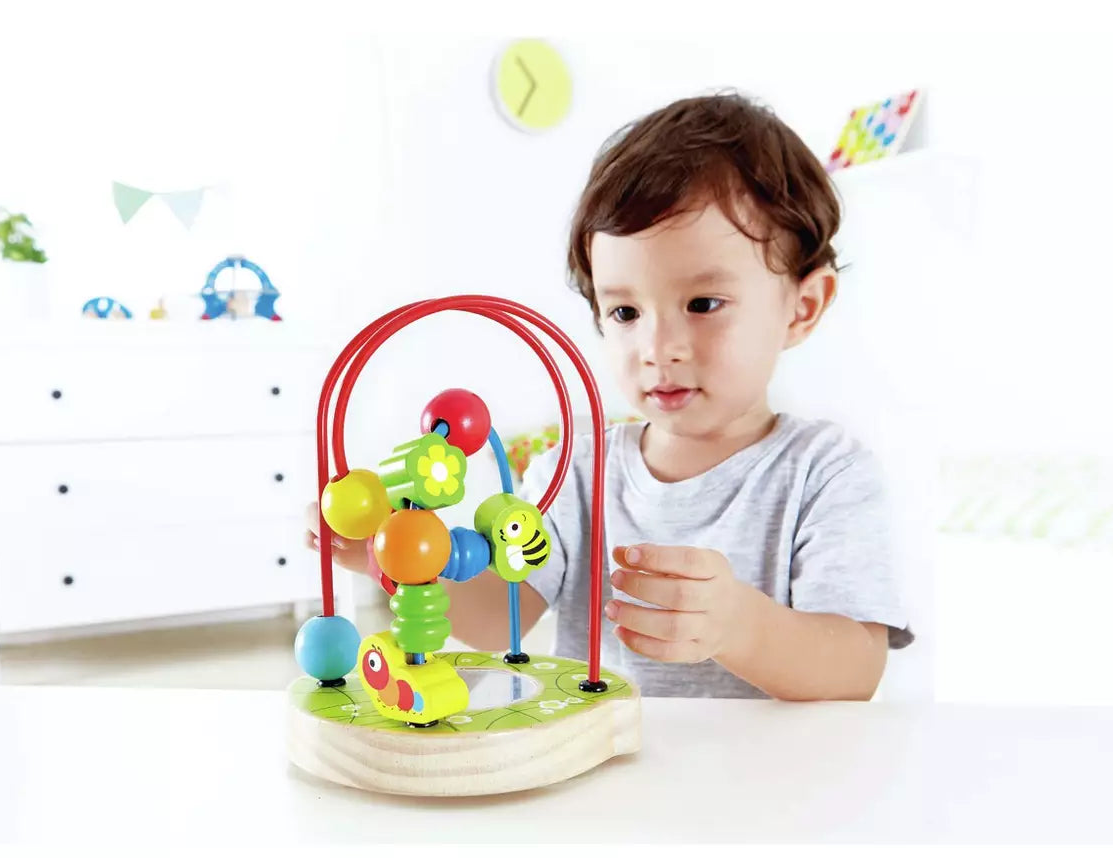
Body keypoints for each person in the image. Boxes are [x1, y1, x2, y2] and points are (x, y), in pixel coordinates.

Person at [307, 92, 913, 699]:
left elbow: (855, 672)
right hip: (605, 776)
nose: (658, 346)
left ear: (802, 308)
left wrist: (739, 627)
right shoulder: (579, 469)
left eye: (703, 304)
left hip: (764, 787)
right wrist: (391, 558)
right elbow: (499, 618)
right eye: (624, 311)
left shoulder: (826, 473)